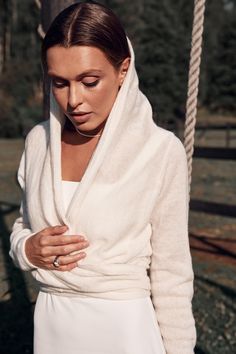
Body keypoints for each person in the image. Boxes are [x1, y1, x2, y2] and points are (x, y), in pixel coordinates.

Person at [9, 1, 197, 353]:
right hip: (52, 325)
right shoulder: (38, 143)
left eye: (89, 81)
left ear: (123, 70)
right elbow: (23, 225)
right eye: (60, 83)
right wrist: (27, 249)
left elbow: (172, 272)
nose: (74, 100)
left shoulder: (159, 151)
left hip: (124, 331)